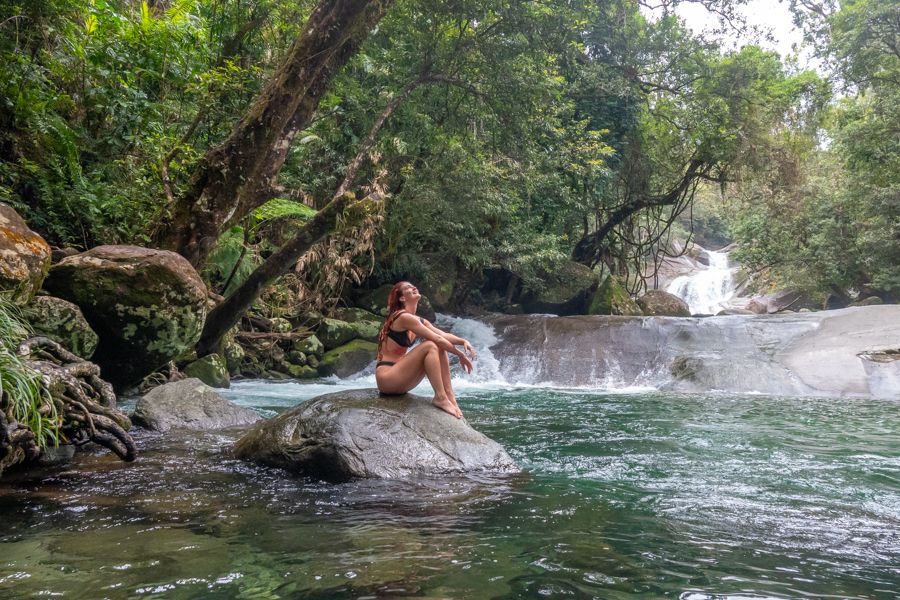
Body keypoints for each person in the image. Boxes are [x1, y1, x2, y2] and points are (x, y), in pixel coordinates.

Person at [375, 281, 476, 418]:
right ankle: (440, 397)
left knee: (438, 345)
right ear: (402, 298)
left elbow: (443, 335)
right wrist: (460, 354)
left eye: (413, 286)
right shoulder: (402, 317)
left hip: (401, 377)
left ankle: (449, 396)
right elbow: (437, 339)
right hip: (387, 379)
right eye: (409, 288)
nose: (414, 287)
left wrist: (463, 341)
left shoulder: (418, 321)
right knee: (431, 345)